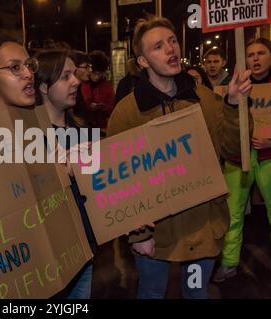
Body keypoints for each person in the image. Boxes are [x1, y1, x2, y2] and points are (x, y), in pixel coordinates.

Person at [107, 16, 252, 299]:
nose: (170, 49)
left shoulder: (205, 99)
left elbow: (232, 148)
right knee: (151, 293)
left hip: (203, 229)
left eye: (172, 41)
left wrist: (233, 105)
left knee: (196, 294)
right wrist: (139, 236)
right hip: (156, 235)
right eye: (158, 46)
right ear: (143, 62)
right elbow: (117, 179)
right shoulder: (127, 113)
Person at [34, 49, 97, 299]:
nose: (77, 81)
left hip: (85, 246)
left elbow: (99, 188)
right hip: (48, 254)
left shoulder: (81, 127)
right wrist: (62, 173)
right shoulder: (28, 135)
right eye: (65, 76)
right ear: (43, 87)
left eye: (75, 75)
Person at [212, 38, 271, 282]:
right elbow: (222, 123)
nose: (255, 59)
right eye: (250, 54)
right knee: (232, 215)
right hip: (237, 160)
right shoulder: (230, 87)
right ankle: (228, 263)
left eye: (261, 53)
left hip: (268, 158)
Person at [81, 50, 115, 134]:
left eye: (99, 74)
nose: (97, 77)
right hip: (84, 128)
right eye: (94, 73)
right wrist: (88, 107)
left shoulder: (107, 86)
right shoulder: (81, 84)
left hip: (102, 128)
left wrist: (104, 108)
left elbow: (113, 109)